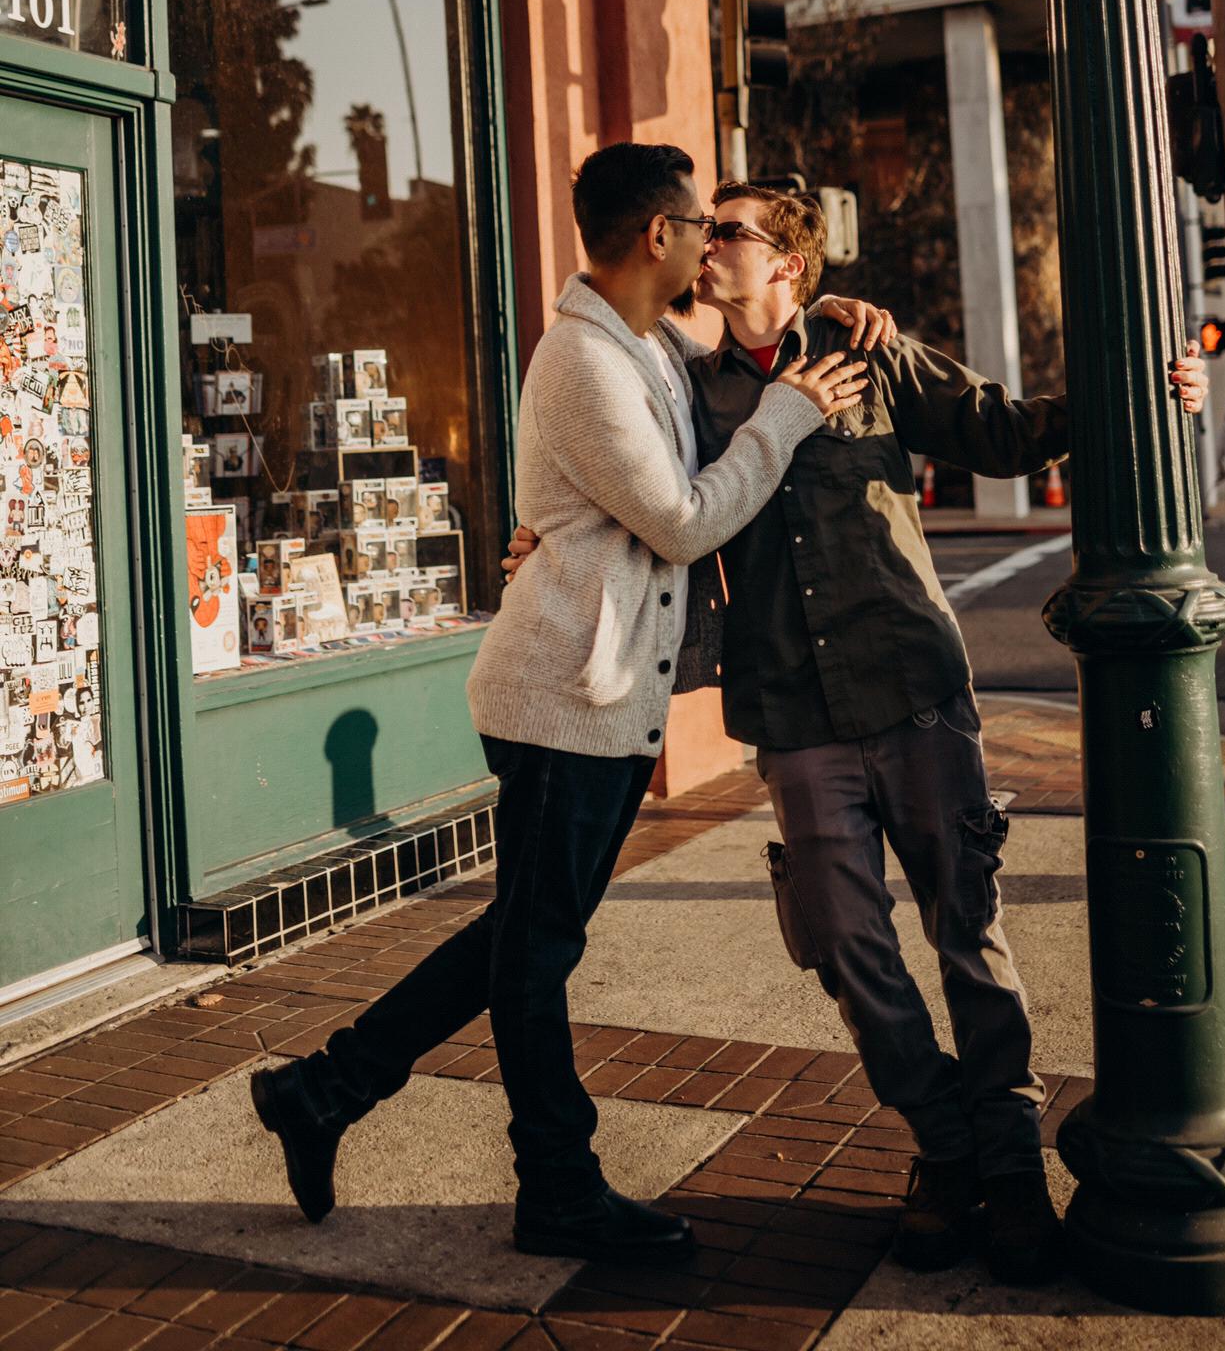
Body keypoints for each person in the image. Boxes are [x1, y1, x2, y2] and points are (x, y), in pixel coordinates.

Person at [509, 182, 1209, 1286]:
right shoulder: (688, 389)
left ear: (788, 262)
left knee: (967, 932)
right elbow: (634, 500)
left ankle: (1011, 1166)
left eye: (728, 231)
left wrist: (1143, 391)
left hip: (914, 685)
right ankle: (945, 1145)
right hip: (790, 713)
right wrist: (541, 540)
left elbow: (1009, 433)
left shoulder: (867, 349)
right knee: (843, 943)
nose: (706, 245)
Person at [251, 143, 884, 1267]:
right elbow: (685, 518)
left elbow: (746, 341)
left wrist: (828, 305)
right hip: (561, 699)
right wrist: (786, 418)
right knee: (535, 953)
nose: (704, 240)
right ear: (656, 235)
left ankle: (325, 1087)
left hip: (586, 690)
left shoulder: (642, 340)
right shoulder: (583, 360)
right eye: (696, 223)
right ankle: (556, 1183)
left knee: (523, 936)